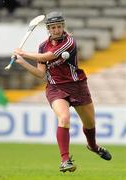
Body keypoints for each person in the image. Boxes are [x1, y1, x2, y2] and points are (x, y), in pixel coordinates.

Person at [14, 11, 112, 173]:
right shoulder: (42, 46)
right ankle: (65, 160)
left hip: (77, 86)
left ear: (63, 27)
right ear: (48, 29)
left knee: (90, 124)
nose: (57, 30)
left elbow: (48, 56)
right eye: (53, 27)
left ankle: (93, 146)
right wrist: (22, 62)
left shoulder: (69, 41)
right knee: (64, 118)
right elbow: (40, 74)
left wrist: (23, 52)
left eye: (59, 26)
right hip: (56, 88)